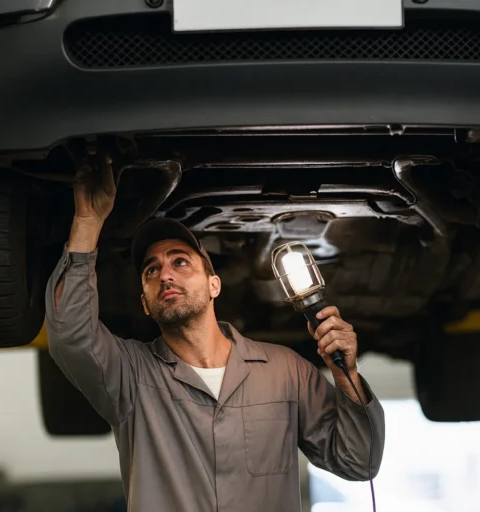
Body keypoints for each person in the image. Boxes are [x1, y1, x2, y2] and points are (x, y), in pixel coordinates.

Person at [44, 154, 386, 512]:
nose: (166, 275)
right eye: (151, 271)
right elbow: (70, 332)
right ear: (145, 303)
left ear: (214, 285)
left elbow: (358, 462)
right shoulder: (130, 376)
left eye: (180, 261)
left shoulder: (285, 372)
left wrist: (345, 376)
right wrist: (88, 222)